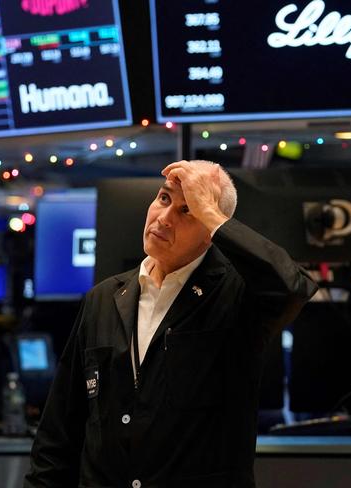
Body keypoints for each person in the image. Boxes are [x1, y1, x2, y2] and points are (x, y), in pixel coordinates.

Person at [24, 160, 318, 488]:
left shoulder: (237, 296)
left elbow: (295, 288)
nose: (164, 219)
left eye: (187, 210)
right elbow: (59, 434)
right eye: (164, 199)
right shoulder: (103, 299)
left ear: (211, 228)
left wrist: (211, 211)